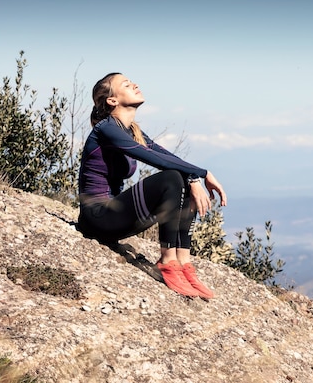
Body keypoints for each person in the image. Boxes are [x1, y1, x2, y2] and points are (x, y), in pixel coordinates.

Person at [77, 72, 227, 298]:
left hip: (115, 220)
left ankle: (183, 262)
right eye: (126, 84)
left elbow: (166, 156)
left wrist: (196, 177)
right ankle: (167, 262)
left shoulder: (132, 130)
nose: (135, 84)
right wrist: (201, 174)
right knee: (172, 177)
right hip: (98, 218)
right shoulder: (106, 130)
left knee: (181, 176)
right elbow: (152, 159)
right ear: (112, 100)